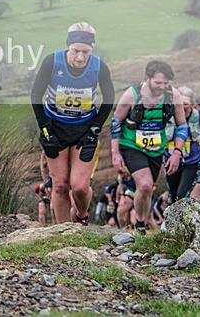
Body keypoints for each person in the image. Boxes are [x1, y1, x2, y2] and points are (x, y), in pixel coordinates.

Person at [30, 23, 115, 225]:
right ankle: (63, 231)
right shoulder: (52, 61)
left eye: (85, 52)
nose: (80, 57)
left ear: (92, 49)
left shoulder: (99, 66)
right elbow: (35, 95)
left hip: (84, 129)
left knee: (78, 187)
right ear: (68, 46)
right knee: (59, 185)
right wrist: (44, 129)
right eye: (75, 51)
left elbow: (109, 97)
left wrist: (95, 129)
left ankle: (82, 218)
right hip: (56, 128)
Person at [110, 60, 186, 235]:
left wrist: (176, 152)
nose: (162, 86)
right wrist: (115, 153)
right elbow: (116, 122)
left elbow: (182, 126)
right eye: (158, 82)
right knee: (145, 185)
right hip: (131, 145)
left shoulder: (173, 96)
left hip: (156, 149)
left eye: (166, 83)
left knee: (145, 189)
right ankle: (140, 228)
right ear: (147, 78)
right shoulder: (132, 95)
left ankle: (140, 225)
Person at [163, 87, 200, 202]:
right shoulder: (167, 115)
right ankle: (174, 219)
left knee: (182, 194)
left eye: (185, 103)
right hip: (171, 160)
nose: (182, 107)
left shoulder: (199, 117)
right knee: (173, 196)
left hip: (192, 162)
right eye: (179, 103)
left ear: (192, 104)